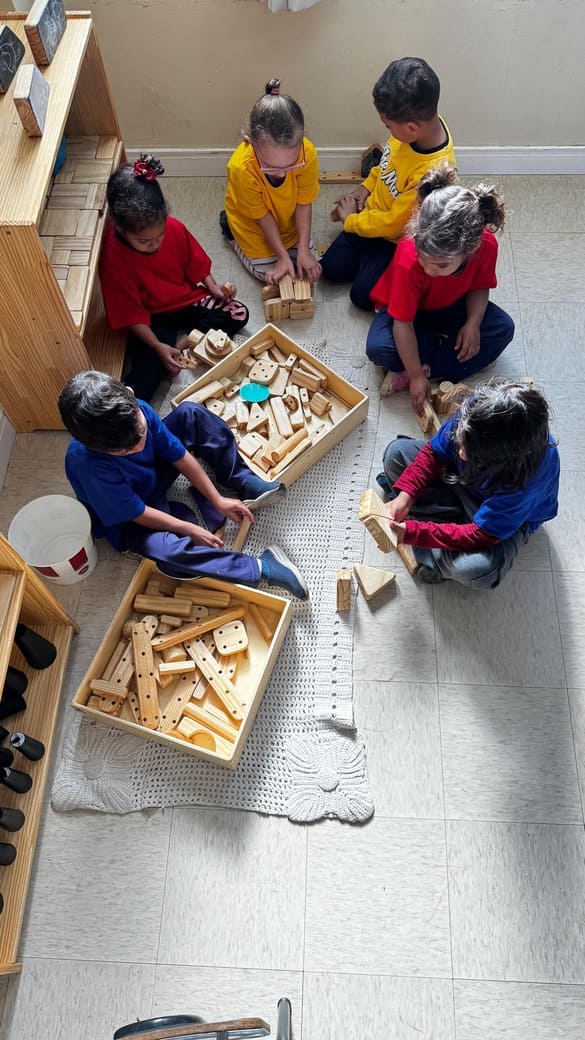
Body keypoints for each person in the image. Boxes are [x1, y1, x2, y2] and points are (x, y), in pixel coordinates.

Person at [58, 372, 309, 600]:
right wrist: (189, 529)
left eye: (141, 435)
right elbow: (137, 512)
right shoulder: (86, 463)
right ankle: (262, 568)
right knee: (166, 551)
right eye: (124, 450)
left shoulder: (137, 411)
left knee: (190, 413)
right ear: (94, 446)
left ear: (131, 396)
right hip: (129, 519)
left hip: (151, 477)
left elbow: (177, 453)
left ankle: (244, 481)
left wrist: (217, 499)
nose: (137, 447)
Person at [378, 381, 560, 589]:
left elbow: (480, 535)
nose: (462, 453)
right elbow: (433, 454)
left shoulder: (526, 482)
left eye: (474, 453)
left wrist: (413, 533)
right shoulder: (477, 413)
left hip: (498, 520)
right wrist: (404, 498)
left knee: (478, 569)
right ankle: (441, 528)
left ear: (501, 459)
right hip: (466, 482)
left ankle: (435, 533)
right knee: (395, 455)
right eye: (461, 442)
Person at [99, 154, 249, 403]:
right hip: (149, 318)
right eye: (144, 241)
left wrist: (215, 289)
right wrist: (158, 346)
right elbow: (130, 314)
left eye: (159, 235)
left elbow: (196, 264)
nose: (154, 244)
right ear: (121, 228)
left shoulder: (174, 227)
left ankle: (183, 340)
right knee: (147, 376)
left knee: (238, 312)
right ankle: (123, 415)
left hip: (184, 300)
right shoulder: (114, 258)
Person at [367, 164, 515, 415]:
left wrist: (473, 323)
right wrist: (415, 376)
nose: (428, 268)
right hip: (413, 313)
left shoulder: (486, 244)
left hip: (453, 305)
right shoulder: (409, 255)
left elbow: (479, 286)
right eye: (423, 258)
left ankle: (428, 365)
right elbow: (402, 322)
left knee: (503, 328)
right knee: (379, 349)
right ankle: (428, 365)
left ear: (470, 248)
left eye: (441, 264)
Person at [320, 57, 455, 310]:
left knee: (361, 297)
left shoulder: (431, 173)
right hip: (372, 216)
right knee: (330, 269)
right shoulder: (414, 128)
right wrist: (365, 188)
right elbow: (385, 165)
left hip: (393, 240)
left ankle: (389, 274)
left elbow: (395, 223)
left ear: (412, 128)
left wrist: (350, 221)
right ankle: (369, 265)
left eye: (388, 126)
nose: (388, 131)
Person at [221, 78, 321, 285]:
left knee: (307, 266)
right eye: (271, 167)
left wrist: (303, 249)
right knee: (272, 275)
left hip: (286, 219)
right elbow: (262, 216)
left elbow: (304, 203)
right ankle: (230, 230)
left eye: (291, 164)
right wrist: (282, 256)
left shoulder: (307, 152)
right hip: (254, 223)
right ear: (251, 141)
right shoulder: (240, 167)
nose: (282, 175)